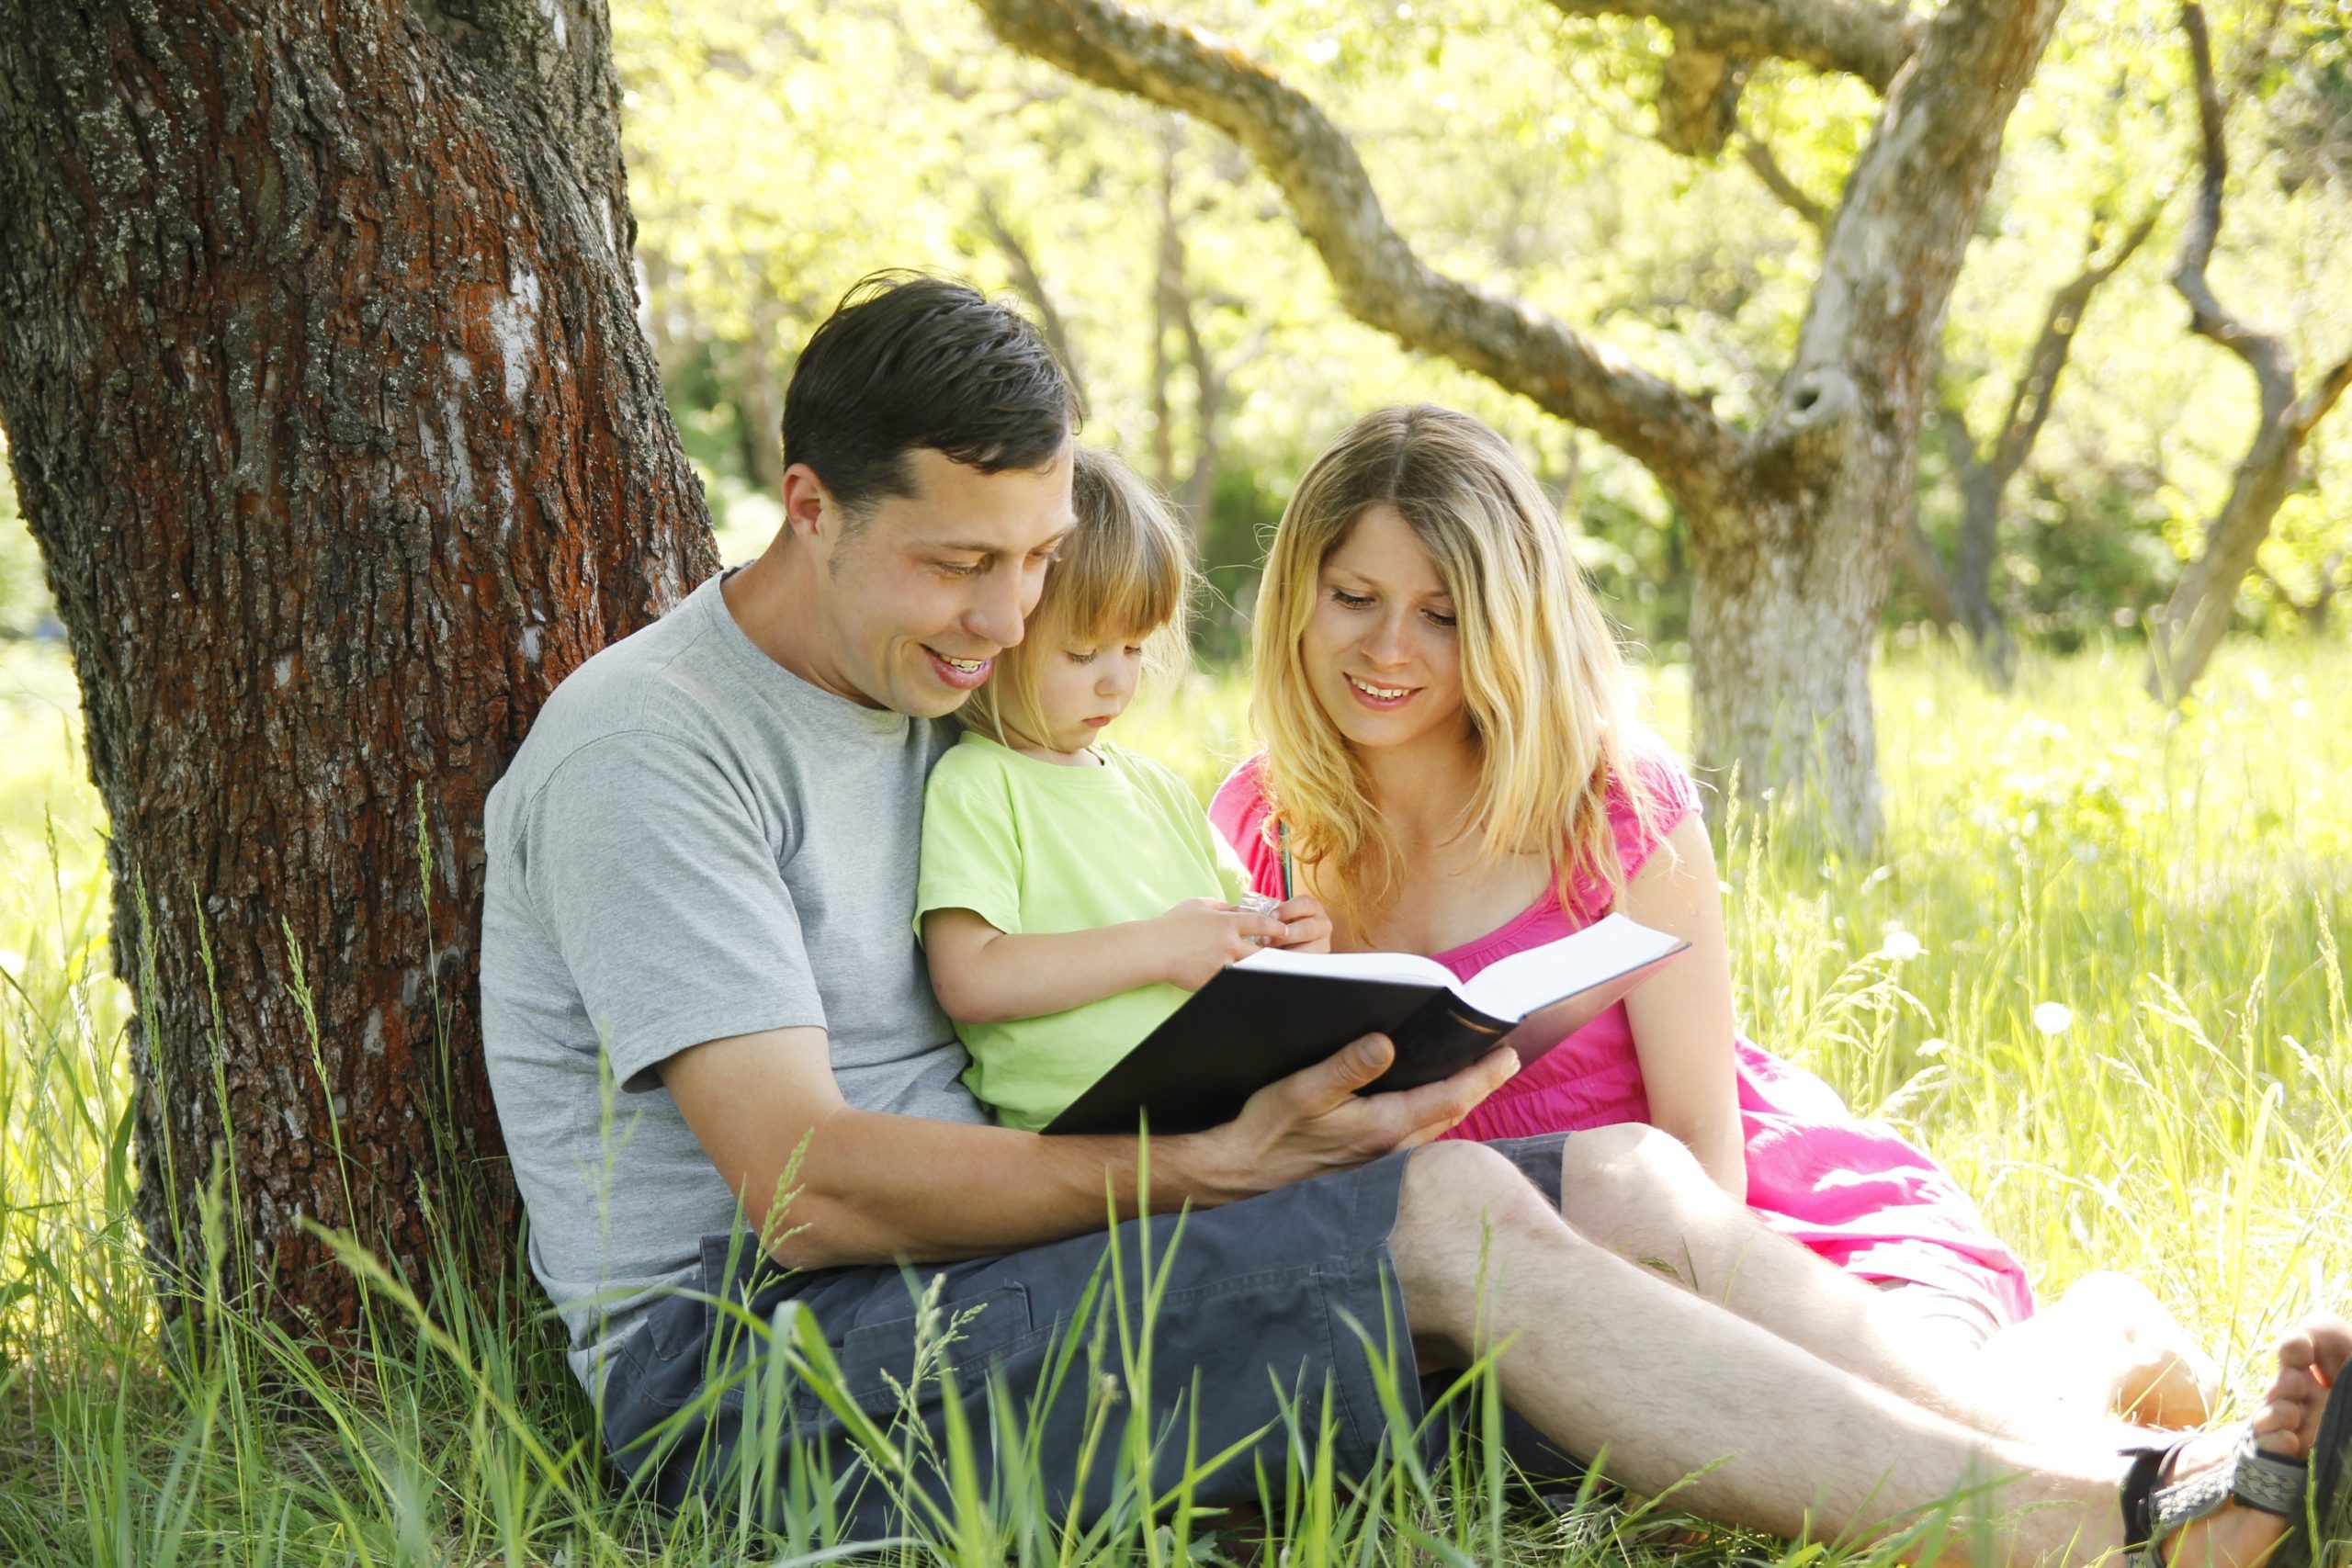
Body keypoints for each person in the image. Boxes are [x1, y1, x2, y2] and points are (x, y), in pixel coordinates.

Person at [478, 271, 2351, 1562]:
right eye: (957, 564)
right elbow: (801, 1187)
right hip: (770, 1377)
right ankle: (2083, 1532)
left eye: (1033, 561)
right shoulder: (657, 747)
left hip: (997, 1279)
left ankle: (2126, 1470)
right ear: (805, 507)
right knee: (1443, 1211)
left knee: (1612, 1171)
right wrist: (1212, 1164)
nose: (998, 618)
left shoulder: (936, 696)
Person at [1210, 403, 2218, 1428]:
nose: (1389, 648)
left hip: (1755, 1245)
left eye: (1443, 614)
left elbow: (1703, 1148)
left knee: (1934, 1446)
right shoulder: (1257, 825)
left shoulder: (1611, 805)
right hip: (1481, 1284)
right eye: (1355, 597)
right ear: (1300, 593)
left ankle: (2106, 1331)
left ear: (1507, 623)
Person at [916, 446, 1329, 1132]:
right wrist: (1158, 948)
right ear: (1004, 630)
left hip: (1217, 1113)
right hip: (1087, 1144)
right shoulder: (980, 783)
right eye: (1082, 654)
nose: (1117, 681)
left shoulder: (1157, 789)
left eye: (1134, 647)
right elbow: (970, 976)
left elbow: (1230, 932)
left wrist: (1286, 943)